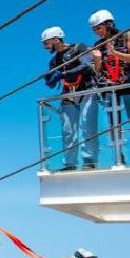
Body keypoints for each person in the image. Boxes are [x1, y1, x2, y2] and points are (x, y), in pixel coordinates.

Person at [88, 9, 130, 165]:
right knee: (113, 121)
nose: (97, 32)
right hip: (109, 85)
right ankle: (118, 154)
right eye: (94, 29)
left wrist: (115, 53)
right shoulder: (97, 45)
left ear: (108, 24)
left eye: (99, 28)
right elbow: (97, 71)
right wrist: (97, 60)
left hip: (129, 81)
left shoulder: (127, 36)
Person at [41, 26, 100, 171]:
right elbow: (52, 81)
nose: (45, 47)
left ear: (56, 39)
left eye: (46, 43)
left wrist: (63, 74)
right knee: (68, 131)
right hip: (69, 94)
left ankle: (89, 161)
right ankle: (70, 163)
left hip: (87, 91)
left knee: (88, 127)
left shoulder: (78, 48)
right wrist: (50, 79)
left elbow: (86, 66)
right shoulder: (54, 61)